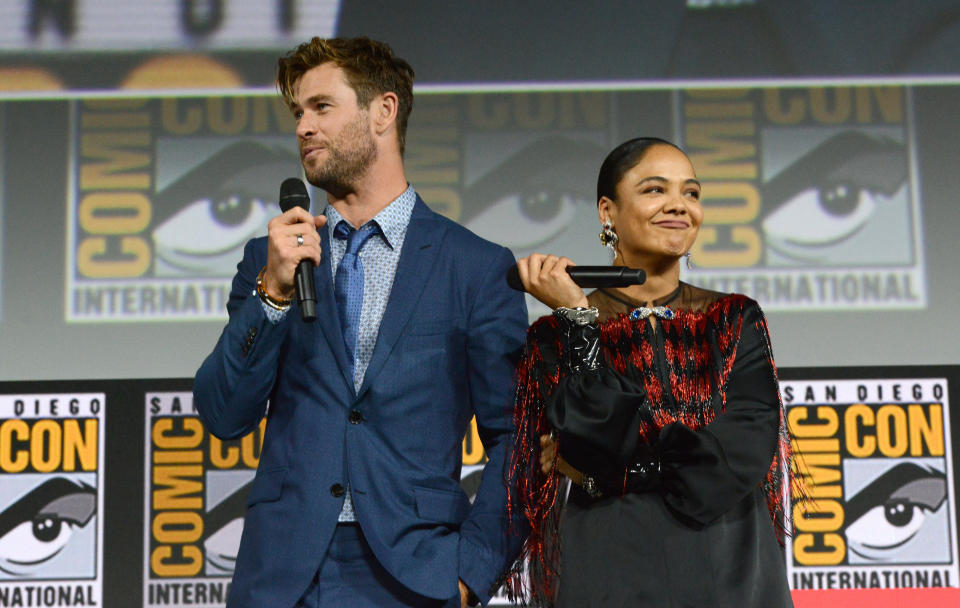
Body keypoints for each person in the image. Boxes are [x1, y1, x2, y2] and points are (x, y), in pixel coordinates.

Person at [193, 37, 527, 608]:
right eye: (298, 112)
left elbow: (516, 438)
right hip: (283, 574)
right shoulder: (268, 261)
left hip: (415, 573)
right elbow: (224, 415)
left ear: (383, 112)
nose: (303, 127)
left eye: (322, 107)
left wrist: (470, 573)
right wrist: (272, 293)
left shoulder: (474, 266)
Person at [506, 137, 796, 607]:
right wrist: (579, 321)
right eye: (655, 190)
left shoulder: (735, 318)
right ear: (607, 211)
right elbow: (595, 445)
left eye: (692, 193)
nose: (679, 206)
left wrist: (621, 466)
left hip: (730, 560)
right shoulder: (554, 333)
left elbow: (742, 450)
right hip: (608, 562)